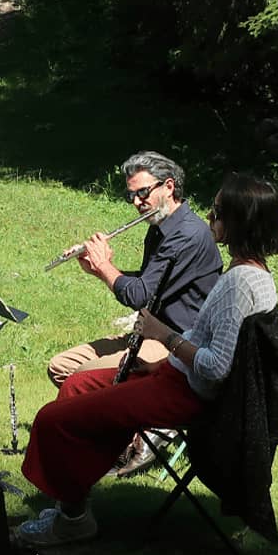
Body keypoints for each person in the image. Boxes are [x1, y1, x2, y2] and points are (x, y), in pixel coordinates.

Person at [17, 173, 278, 545]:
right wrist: (159, 363)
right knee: (78, 384)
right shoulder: (249, 274)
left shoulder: (239, 284)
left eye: (218, 211)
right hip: (173, 376)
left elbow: (214, 367)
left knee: (51, 420)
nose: (210, 217)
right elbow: (207, 342)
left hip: (189, 395)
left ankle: (73, 521)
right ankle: (72, 501)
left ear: (239, 222)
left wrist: (163, 336)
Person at [46, 150, 221, 389]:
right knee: (60, 366)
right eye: (131, 196)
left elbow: (139, 295)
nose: (137, 202)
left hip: (176, 341)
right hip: (148, 333)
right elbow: (148, 282)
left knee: (82, 377)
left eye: (142, 193)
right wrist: (97, 269)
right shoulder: (159, 226)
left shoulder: (188, 235)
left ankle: (112, 421)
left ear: (168, 187)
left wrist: (105, 266)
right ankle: (110, 420)